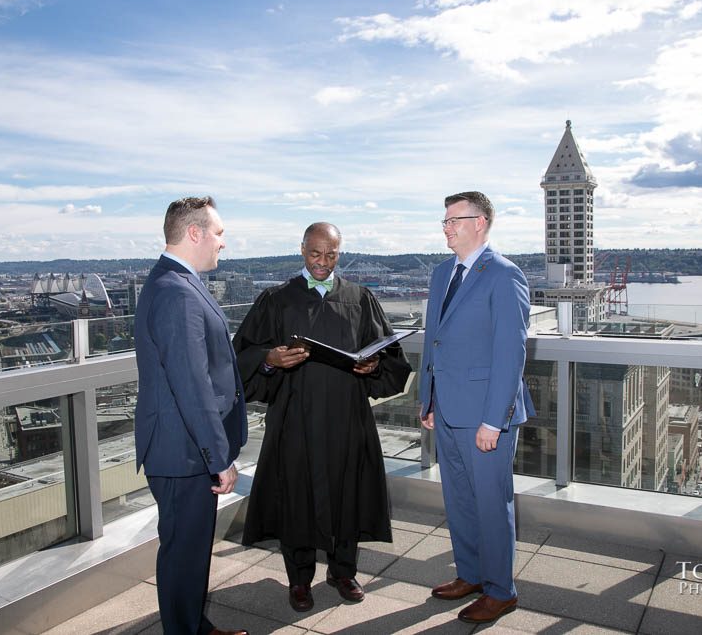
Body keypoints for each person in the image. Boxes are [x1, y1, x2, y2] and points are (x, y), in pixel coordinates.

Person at [234, 222, 412, 613]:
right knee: (295, 494)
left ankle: (342, 571)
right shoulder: (276, 299)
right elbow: (242, 355)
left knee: (348, 491)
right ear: (301, 250)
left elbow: (390, 359)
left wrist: (373, 365)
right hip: (295, 417)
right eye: (316, 253)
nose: (323, 262)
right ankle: (299, 579)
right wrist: (269, 358)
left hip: (348, 416)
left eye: (331, 254)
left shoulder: (360, 297)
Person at [419, 191, 535, 624]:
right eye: (444, 220)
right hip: (447, 409)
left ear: (480, 223)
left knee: (491, 502)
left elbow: (511, 353)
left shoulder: (504, 276)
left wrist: (494, 419)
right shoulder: (442, 273)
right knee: (460, 500)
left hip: (485, 416)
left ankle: (502, 591)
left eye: (455, 220)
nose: (446, 227)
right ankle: (469, 573)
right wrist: (427, 397)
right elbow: (435, 339)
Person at [134, 197, 248, 635]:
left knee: (192, 550)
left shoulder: (177, 281)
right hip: (184, 452)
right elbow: (192, 383)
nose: (223, 242)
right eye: (218, 233)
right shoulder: (176, 291)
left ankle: (194, 625)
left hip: (183, 447)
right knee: (184, 554)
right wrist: (217, 457)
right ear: (194, 233)